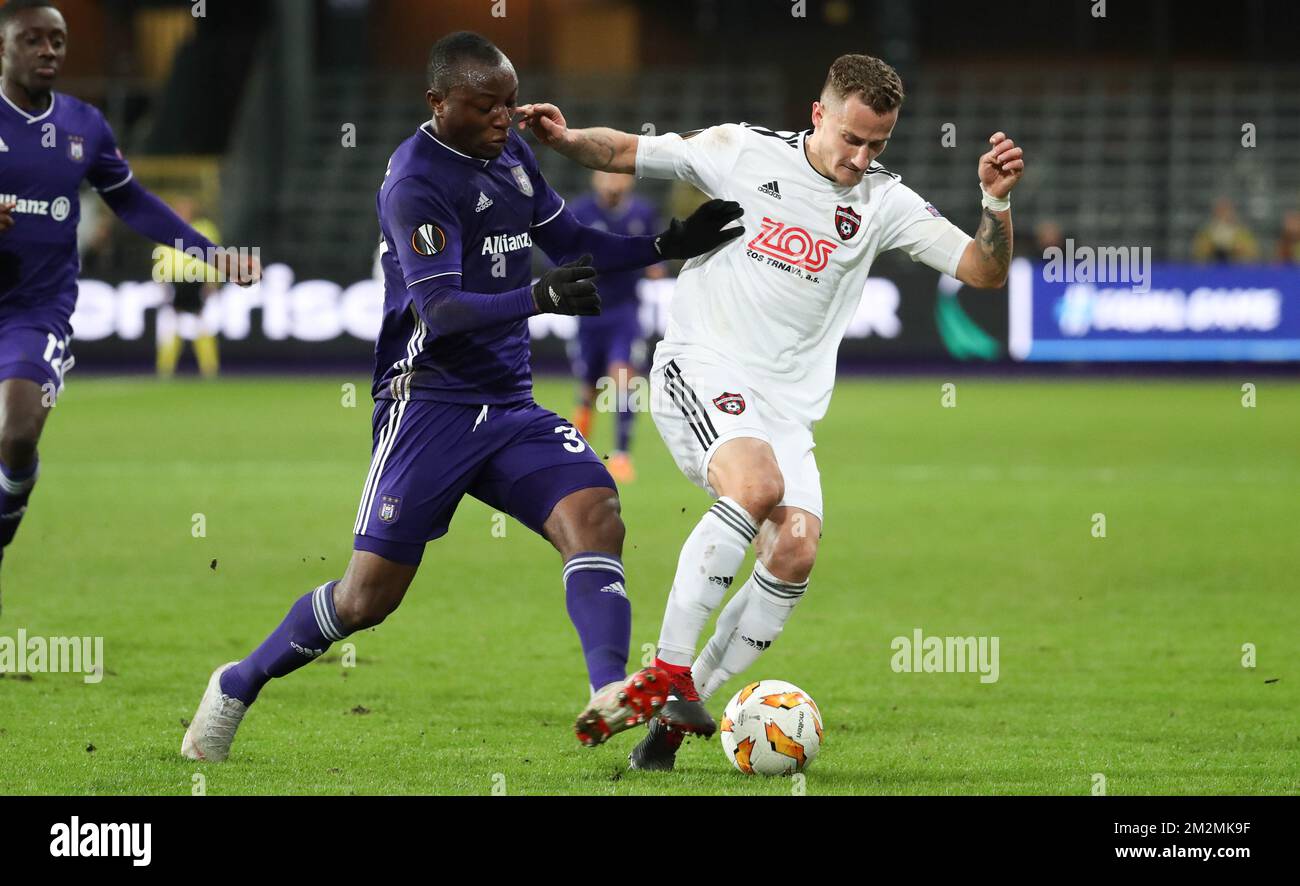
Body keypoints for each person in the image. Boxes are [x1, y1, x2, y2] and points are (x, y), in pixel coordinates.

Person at [181, 31, 744, 761]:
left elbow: (574, 240)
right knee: (365, 600)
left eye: (510, 103)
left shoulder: (510, 152)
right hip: (428, 407)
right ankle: (237, 683)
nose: (504, 119)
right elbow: (440, 312)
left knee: (596, 513)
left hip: (507, 404)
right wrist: (537, 294)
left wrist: (667, 246)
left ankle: (609, 688)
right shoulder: (416, 182)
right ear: (438, 102)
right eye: (485, 107)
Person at [518, 52, 1024, 769]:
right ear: (819, 114)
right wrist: (567, 142)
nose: (860, 157)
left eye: (877, 144)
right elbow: (632, 151)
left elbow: (984, 269)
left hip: (786, 411)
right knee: (756, 488)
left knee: (795, 549)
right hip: (701, 366)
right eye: (851, 138)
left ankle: (668, 719)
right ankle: (664, 671)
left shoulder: (883, 201)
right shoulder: (741, 151)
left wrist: (996, 202)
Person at [0, 0, 258, 615]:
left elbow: (134, 203)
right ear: (3, 48)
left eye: (57, 41)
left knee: (16, 430)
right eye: (32, 40)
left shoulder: (84, 126)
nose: (48, 51)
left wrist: (210, 255)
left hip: (34, 308)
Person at [567, 171, 662, 482]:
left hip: (625, 312)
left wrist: (655, 267)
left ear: (629, 181)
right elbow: (564, 255)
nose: (612, 182)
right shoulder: (580, 211)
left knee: (624, 378)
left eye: (619, 176)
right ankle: (575, 451)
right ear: (595, 179)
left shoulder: (643, 213)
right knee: (589, 387)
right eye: (606, 176)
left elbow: (654, 255)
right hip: (590, 311)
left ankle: (621, 455)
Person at [155, 197, 222, 379]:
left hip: (197, 280)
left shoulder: (205, 228)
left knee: (202, 324)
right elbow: (161, 256)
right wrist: (161, 281)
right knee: (171, 325)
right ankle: (165, 368)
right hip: (175, 282)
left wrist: (213, 281)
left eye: (185, 209)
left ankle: (209, 368)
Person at [1191, 198, 1259, 264]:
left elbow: (1252, 254)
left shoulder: (1242, 233)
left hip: (1236, 270)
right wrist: (1213, 247)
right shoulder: (1206, 233)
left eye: (1226, 210)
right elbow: (1198, 254)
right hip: (1212, 270)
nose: (1223, 214)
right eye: (1220, 211)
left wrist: (1235, 248)